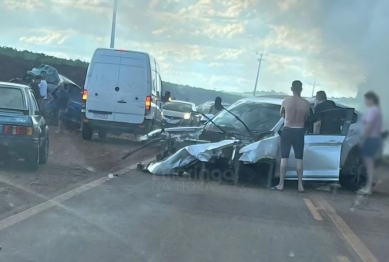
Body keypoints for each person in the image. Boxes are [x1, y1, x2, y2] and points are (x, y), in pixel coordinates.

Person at [274, 80, 311, 192]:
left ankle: (281, 184)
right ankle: (300, 185)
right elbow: (306, 118)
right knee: (299, 159)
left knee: (284, 158)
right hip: (299, 131)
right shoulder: (306, 103)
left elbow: (281, 114)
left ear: (291, 89)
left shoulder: (286, 101)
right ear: (301, 89)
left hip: (287, 130)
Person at [358, 91, 382, 195]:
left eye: (366, 99)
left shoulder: (373, 110)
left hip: (371, 139)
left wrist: (363, 138)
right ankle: (371, 183)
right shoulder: (376, 110)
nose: (365, 102)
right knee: (370, 164)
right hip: (374, 138)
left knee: (369, 164)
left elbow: (369, 125)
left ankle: (369, 187)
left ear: (371, 99)